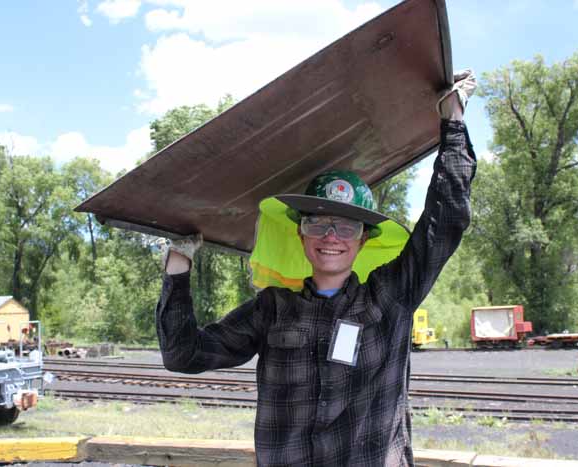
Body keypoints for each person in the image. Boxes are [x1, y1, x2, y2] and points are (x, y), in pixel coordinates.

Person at [156, 70, 477, 466]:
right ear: (301, 234)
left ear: (363, 240)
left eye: (346, 226)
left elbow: (445, 220)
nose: (331, 236)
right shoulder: (271, 310)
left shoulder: (391, 296)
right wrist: (178, 264)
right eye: (317, 223)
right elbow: (183, 355)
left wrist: (453, 122)